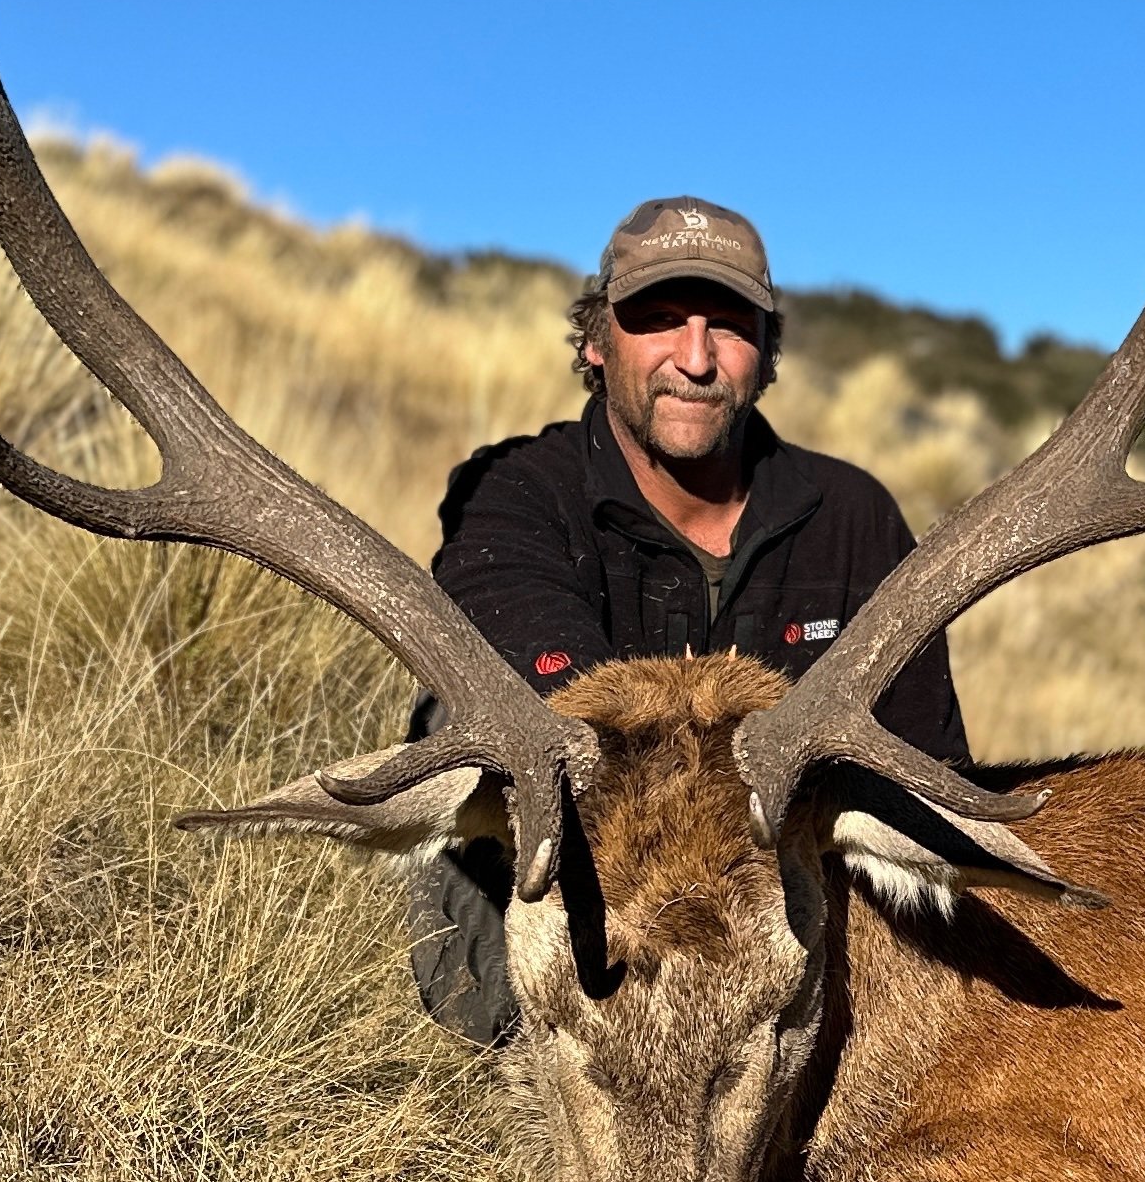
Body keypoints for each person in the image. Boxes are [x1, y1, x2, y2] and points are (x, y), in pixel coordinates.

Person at [404, 195, 970, 1041]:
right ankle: (513, 1036)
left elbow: (929, 776)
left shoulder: (854, 517)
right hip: (583, 903)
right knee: (483, 716)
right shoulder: (517, 492)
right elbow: (548, 681)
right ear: (597, 340)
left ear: (766, 352)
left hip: (779, 933)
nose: (696, 358)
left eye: (730, 325)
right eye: (659, 319)